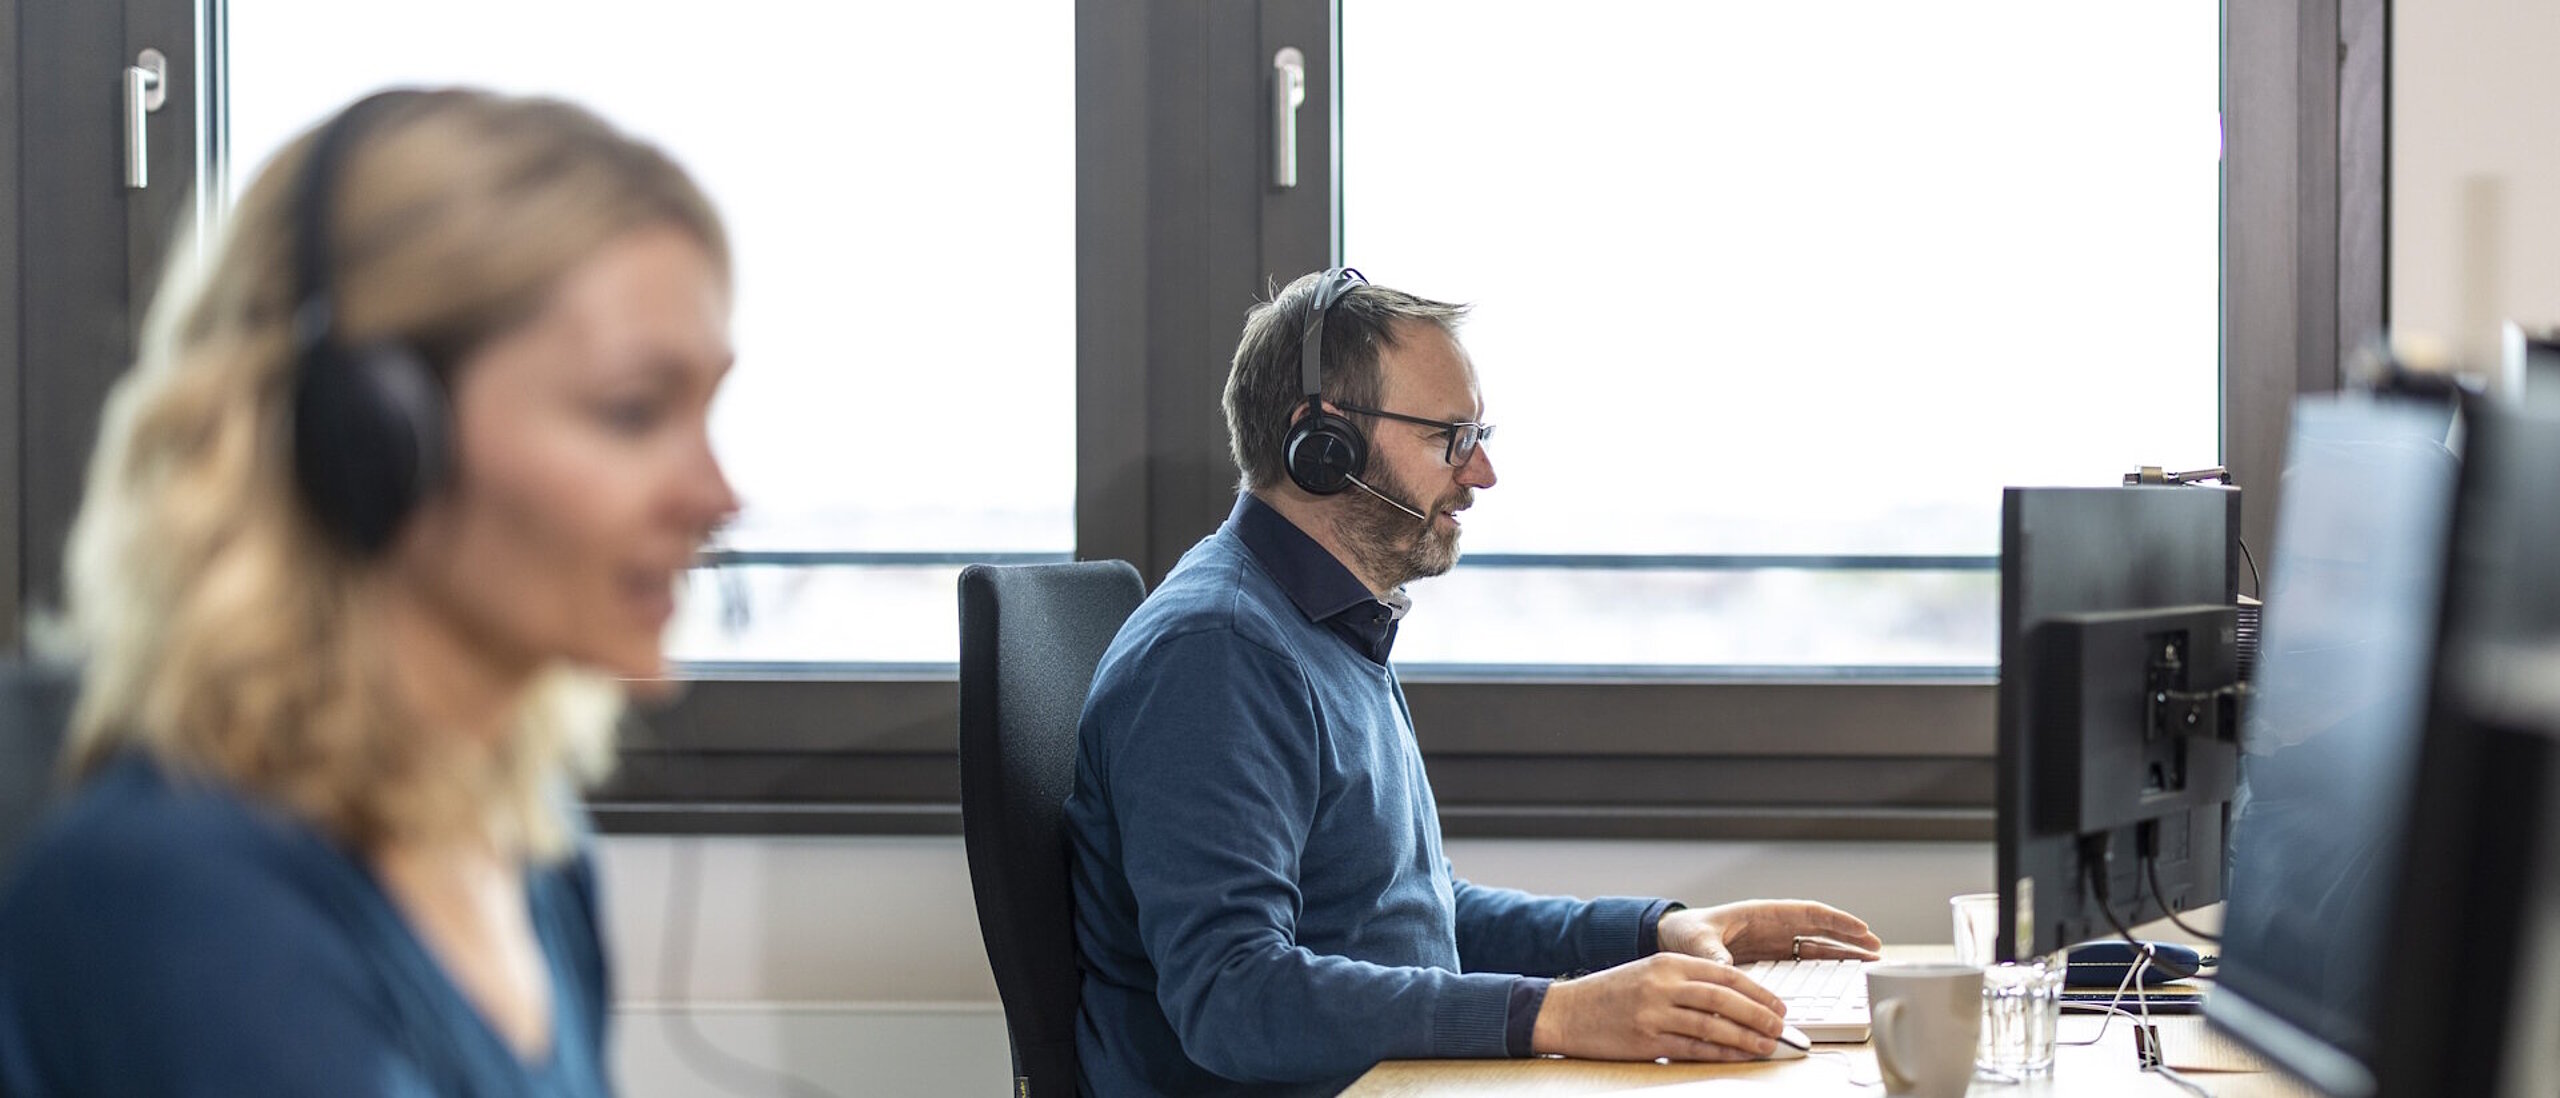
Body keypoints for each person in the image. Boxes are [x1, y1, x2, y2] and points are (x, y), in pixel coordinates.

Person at [0, 88, 738, 1095]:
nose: (715, 493)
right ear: (376, 437)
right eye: (631, 412)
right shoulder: (175, 896)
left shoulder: (531, 849)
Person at [1064, 268, 1886, 1095]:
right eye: (1448, 437)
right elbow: (1234, 998)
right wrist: (1555, 1015)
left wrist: (1655, 932)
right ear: (1322, 447)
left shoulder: (1324, 628)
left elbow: (1409, 915)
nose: (1481, 471)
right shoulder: (1221, 652)